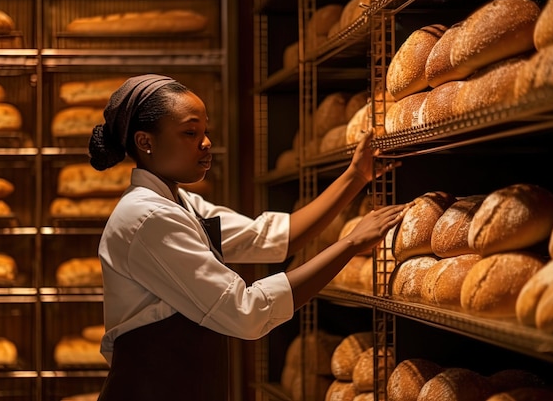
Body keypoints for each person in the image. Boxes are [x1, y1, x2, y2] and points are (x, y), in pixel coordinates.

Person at [88, 74, 406, 401]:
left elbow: (273, 238)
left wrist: (356, 176)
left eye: (205, 131)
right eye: (189, 132)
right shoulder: (148, 218)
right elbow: (245, 312)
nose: (206, 143)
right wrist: (350, 243)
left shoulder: (181, 203)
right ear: (145, 142)